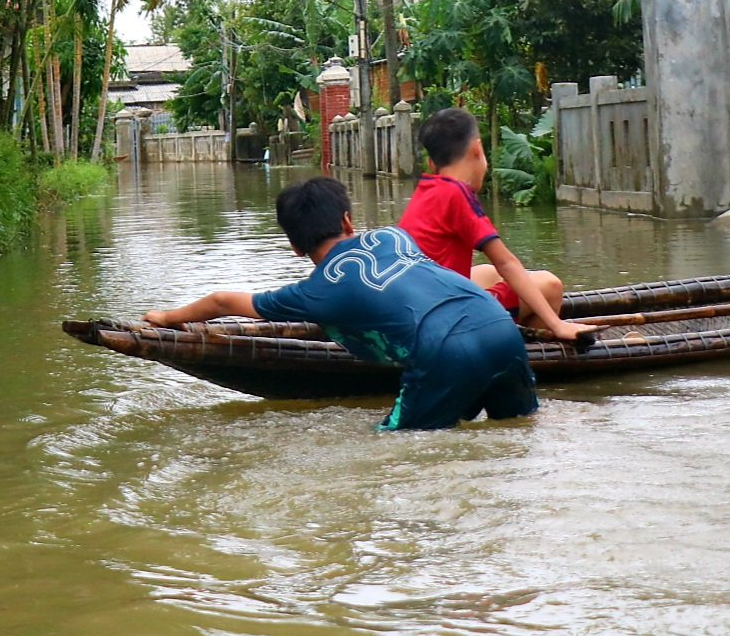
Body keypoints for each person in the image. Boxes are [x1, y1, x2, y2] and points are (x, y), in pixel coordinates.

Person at [143, 176, 539, 431]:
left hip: (443, 353)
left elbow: (221, 300)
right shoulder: (394, 238)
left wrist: (166, 317)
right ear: (349, 221)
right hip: (499, 328)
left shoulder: (315, 293)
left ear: (295, 248)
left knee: (395, 447)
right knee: (517, 432)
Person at [397, 107, 597, 343]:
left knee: (489, 274)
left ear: (431, 164)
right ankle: (524, 348)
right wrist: (559, 324)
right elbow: (506, 262)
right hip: (445, 321)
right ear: (477, 149)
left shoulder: (428, 188)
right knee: (550, 285)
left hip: (417, 308)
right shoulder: (456, 193)